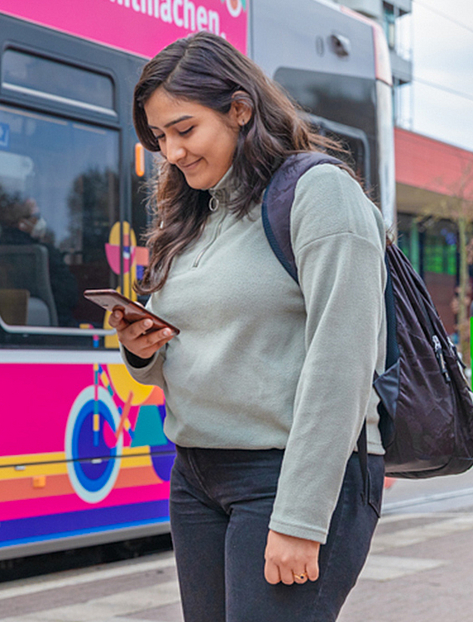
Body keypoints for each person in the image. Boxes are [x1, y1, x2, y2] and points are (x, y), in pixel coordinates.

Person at [112, 32, 385, 622]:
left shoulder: (321, 195)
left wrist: (301, 518)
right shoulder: (195, 215)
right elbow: (202, 354)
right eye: (160, 138)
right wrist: (143, 351)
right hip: (197, 475)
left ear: (239, 110)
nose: (173, 152)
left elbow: (342, 364)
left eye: (185, 130)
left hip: (288, 474)